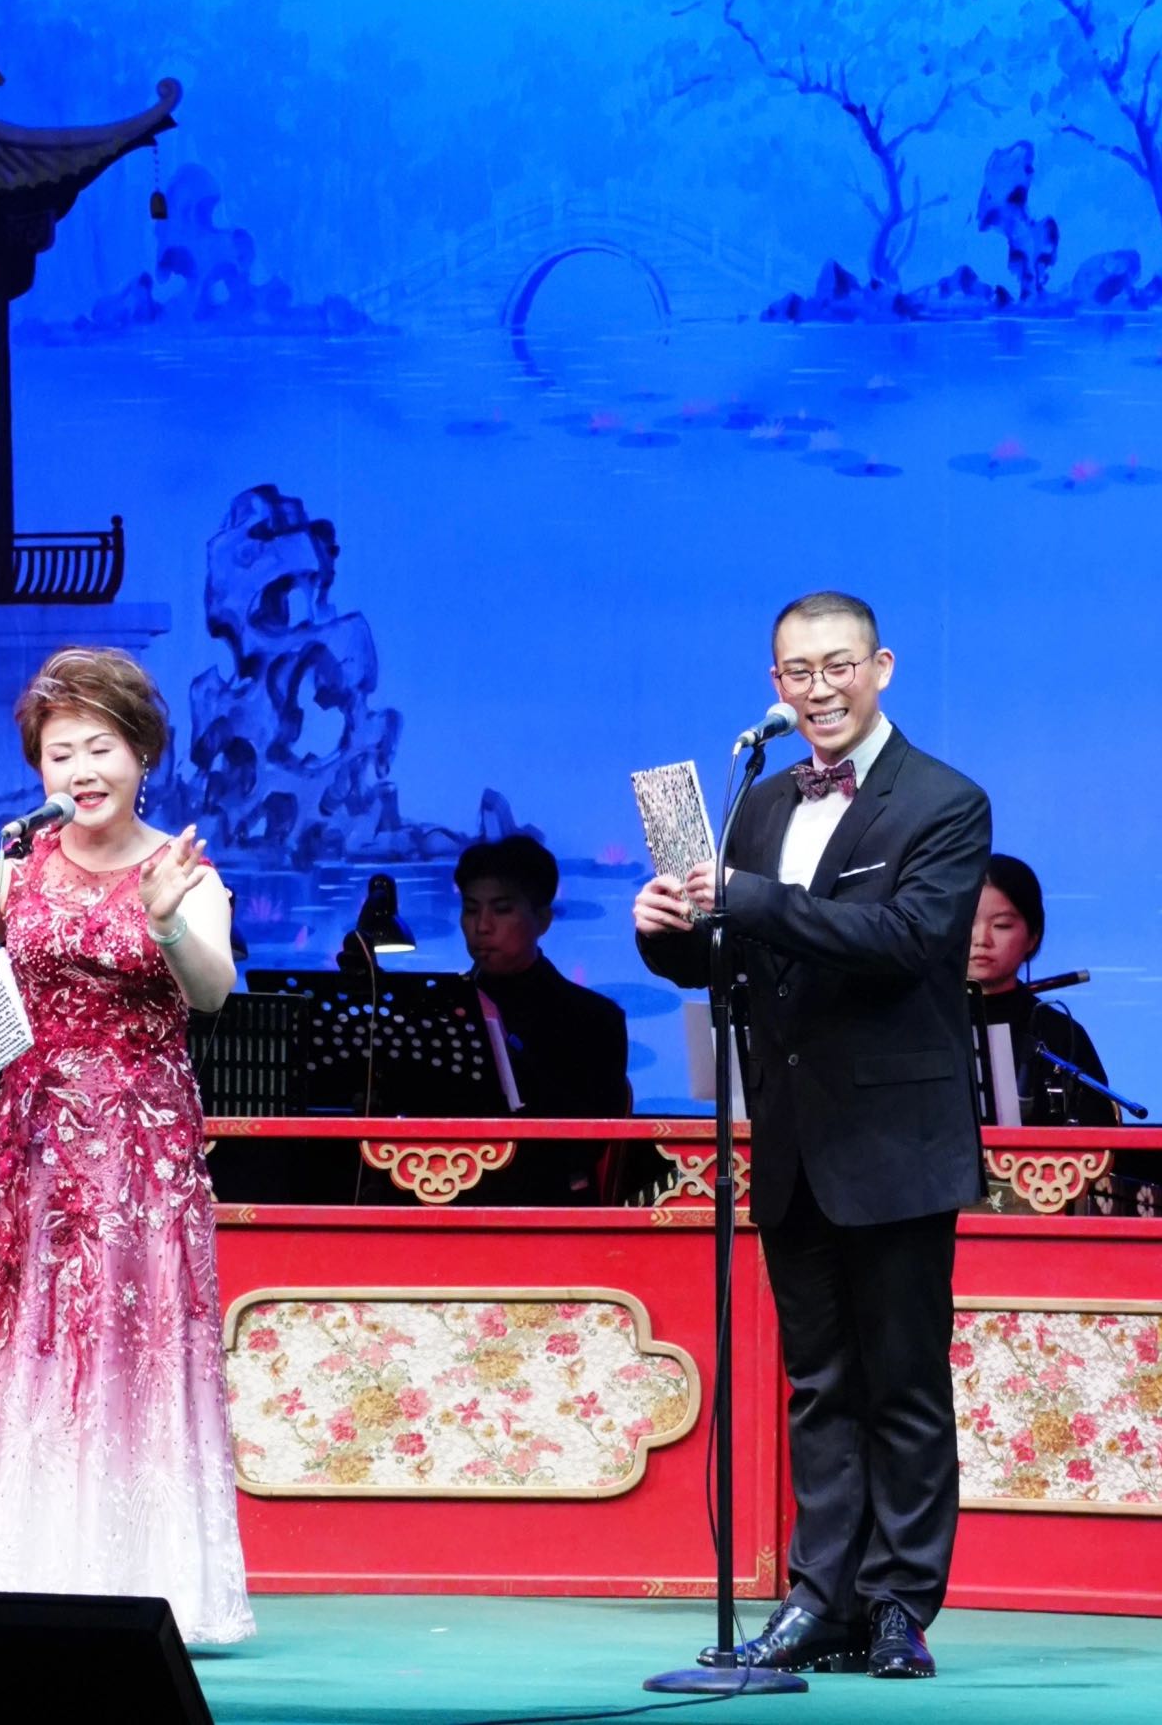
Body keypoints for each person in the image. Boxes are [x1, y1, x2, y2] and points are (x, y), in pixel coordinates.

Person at [634, 591, 990, 1683]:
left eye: (838, 665)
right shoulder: (758, 802)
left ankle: (899, 1606)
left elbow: (906, 938)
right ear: (774, 685)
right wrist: (667, 936)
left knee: (903, 1382)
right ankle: (818, 1598)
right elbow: (732, 960)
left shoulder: (943, 800)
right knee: (818, 1383)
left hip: (895, 1133)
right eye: (797, 671)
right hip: (790, 1135)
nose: (819, 688)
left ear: (881, 667)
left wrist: (748, 898)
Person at [0, 647, 253, 1640]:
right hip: (35, 1143)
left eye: (100, 748)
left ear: (141, 753)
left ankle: (148, 1577)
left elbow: (212, 989)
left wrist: (166, 920)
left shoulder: (182, 870)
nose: (81, 770)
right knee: (36, 1336)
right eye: (60, 754)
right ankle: (22, 1565)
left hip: (142, 1151)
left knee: (134, 1340)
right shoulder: (15, 870)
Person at [456, 833, 631, 1202]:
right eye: (471, 910)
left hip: (546, 1198)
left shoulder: (594, 1019)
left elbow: (585, 1145)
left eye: (501, 909)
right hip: (444, 1186)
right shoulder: (446, 1008)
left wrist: (505, 1045)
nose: (482, 926)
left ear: (543, 920)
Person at [970, 856, 1119, 1126]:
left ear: (1033, 936)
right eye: (967, 921)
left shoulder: (1060, 1034)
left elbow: (1099, 1131)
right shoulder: (918, 1022)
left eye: (1001, 925)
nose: (981, 940)